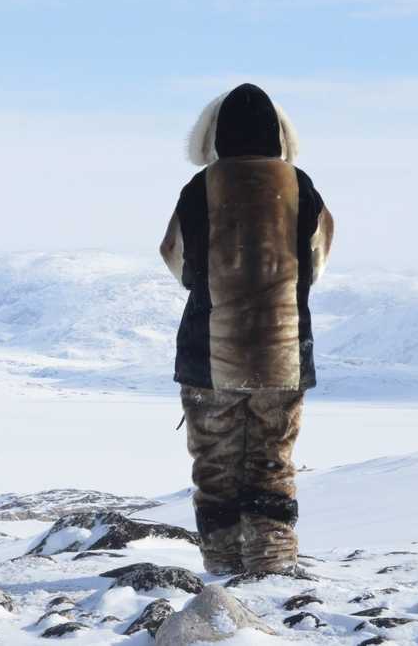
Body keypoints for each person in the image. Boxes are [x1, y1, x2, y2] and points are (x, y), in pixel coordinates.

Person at [159, 83, 334, 577]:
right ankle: (272, 565)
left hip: (209, 354)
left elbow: (178, 259)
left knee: (215, 468)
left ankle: (223, 567)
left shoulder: (199, 188)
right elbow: (317, 257)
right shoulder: (301, 186)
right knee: (273, 462)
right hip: (283, 351)